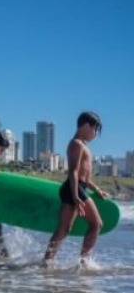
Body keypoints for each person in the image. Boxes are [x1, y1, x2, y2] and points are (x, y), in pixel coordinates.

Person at [43, 111, 106, 266]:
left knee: (65, 229)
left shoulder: (82, 145)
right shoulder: (76, 144)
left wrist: (96, 189)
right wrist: (76, 196)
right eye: (95, 129)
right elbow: (74, 172)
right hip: (75, 188)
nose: (95, 134)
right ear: (85, 126)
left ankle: (46, 262)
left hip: (77, 187)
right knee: (96, 224)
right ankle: (84, 262)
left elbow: (85, 177)